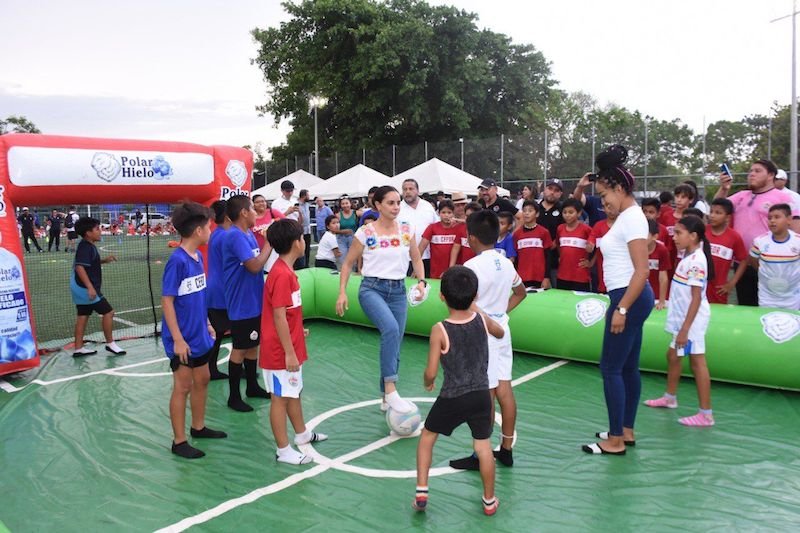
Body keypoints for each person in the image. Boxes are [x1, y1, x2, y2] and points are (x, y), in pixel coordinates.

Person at [581, 145, 653, 456]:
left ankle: (614, 440)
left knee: (610, 368)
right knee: (627, 367)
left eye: (605, 195)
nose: (603, 202)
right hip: (630, 297)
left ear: (620, 188)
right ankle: (626, 429)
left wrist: (621, 308)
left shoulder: (633, 218)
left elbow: (642, 269)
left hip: (628, 297)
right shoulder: (627, 217)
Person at [415, 266, 503, 516]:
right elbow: (500, 332)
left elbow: (431, 371)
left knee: (427, 438)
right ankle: (489, 501)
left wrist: (427, 381)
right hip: (481, 396)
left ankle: (422, 491)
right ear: (475, 297)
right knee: (483, 448)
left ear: (442, 296)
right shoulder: (480, 319)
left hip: (453, 396)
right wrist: (478, 310)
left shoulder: (440, 329)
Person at [336, 186, 426, 415]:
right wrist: (342, 292)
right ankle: (391, 389)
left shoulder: (407, 229)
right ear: (378, 205)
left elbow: (416, 258)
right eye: (391, 203)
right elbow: (347, 264)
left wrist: (422, 282)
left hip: (398, 290)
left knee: (395, 341)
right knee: (391, 330)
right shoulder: (365, 232)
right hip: (371, 289)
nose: (396, 207)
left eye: (398, 203)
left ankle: (386, 397)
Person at [450, 211, 527, 470]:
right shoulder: (505, 262)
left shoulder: (471, 268)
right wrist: (500, 314)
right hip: (503, 332)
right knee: (504, 390)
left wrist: (486, 319)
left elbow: (465, 303)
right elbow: (521, 292)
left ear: (471, 238)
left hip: (484, 337)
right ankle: (506, 449)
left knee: (485, 395)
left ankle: (479, 454)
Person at [162, 201, 227, 459]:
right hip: (182, 339)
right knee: (183, 386)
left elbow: (197, 296)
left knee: (203, 379)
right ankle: (179, 441)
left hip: (200, 334)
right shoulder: (177, 261)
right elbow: (167, 301)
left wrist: (208, 323)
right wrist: (178, 339)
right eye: (208, 227)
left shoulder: (198, 256)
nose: (211, 230)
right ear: (198, 231)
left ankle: (198, 427)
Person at [261, 219, 329, 465]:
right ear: (295, 244)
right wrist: (289, 352)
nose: (304, 242)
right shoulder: (280, 275)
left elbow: (287, 312)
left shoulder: (287, 272)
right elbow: (278, 314)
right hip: (280, 352)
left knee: (294, 392)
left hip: (290, 345)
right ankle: (283, 449)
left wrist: (298, 329)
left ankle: (301, 435)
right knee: (279, 398)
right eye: (302, 238)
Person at [644, 215, 715, 427]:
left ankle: (706, 414)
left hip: (691, 322)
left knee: (697, 363)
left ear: (693, 236)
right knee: (672, 355)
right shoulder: (688, 257)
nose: (673, 237)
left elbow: (696, 298)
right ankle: (670, 397)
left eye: (678, 233)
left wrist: (685, 329)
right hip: (682, 320)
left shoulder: (696, 262)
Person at [714, 159, 800, 305]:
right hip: (742, 264)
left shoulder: (784, 198)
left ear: (771, 175)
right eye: (750, 171)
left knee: (774, 306)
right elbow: (717, 208)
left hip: (771, 264)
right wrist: (724, 188)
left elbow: (796, 231)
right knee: (746, 306)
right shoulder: (741, 195)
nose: (751, 174)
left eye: (757, 171)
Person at [222, 196, 273, 412]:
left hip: (253, 300)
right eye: (252, 208)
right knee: (240, 348)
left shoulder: (248, 234)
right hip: (242, 303)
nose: (256, 211)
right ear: (243, 212)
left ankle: (252, 386)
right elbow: (254, 266)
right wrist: (269, 244)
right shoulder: (235, 236)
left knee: (253, 345)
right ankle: (234, 397)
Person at [70, 217, 127, 357]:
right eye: (97, 229)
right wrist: (90, 287)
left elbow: (89, 263)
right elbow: (80, 267)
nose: (100, 231)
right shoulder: (85, 247)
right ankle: (111, 344)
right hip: (84, 287)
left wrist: (104, 261)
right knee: (108, 312)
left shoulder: (87, 245)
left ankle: (78, 348)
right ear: (88, 233)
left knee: (83, 315)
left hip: (78, 287)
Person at [749, 204, 800, 310]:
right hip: (767, 297)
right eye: (770, 218)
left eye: (777, 217)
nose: (772, 221)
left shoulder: (797, 241)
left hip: (792, 297)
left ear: (789, 220)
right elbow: (753, 260)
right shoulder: (760, 241)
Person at [205, 200, 231, 381]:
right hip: (222, 291)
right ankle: (211, 369)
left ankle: (212, 369)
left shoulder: (217, 234)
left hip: (217, 289)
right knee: (220, 333)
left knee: (220, 333)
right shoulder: (224, 236)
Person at [705, 198, 748, 305]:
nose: (712, 215)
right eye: (711, 212)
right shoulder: (702, 231)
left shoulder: (734, 237)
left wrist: (732, 283)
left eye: (718, 213)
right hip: (699, 285)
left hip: (718, 289)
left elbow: (744, 260)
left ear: (728, 217)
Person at [400, 178, 439, 277]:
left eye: (411, 189)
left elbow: (437, 227)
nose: (407, 192)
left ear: (417, 191)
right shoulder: (398, 209)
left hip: (427, 257)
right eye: (405, 189)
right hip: (405, 258)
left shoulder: (428, 207)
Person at [555, 198, 593, 291]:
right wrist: (562, 257)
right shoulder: (560, 228)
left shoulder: (586, 229)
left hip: (580, 277)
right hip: (562, 275)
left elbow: (597, 248)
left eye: (571, 212)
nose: (567, 215)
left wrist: (591, 262)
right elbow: (558, 245)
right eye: (565, 212)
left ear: (579, 213)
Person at [513, 199, 552, 288]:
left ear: (537, 214)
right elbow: (516, 258)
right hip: (522, 278)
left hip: (539, 277)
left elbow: (548, 256)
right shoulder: (517, 234)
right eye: (524, 210)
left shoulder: (544, 232)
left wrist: (546, 277)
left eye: (530, 211)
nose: (527, 213)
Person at [419, 200, 459, 279]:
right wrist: (416, 267)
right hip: (436, 271)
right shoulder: (432, 227)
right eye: (443, 212)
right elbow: (421, 247)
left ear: (453, 213)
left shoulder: (458, 228)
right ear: (438, 213)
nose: (446, 215)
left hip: (455, 271)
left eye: (449, 212)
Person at [537, 179, 565, 286]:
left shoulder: (563, 209)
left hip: (554, 260)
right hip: (535, 258)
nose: (552, 192)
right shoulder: (534, 208)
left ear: (560, 194)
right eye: (550, 188)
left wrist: (555, 242)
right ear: (544, 189)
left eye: (556, 190)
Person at [646, 219, 671, 310]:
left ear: (655, 236)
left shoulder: (662, 250)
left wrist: (661, 301)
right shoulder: (635, 249)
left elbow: (663, 278)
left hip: (656, 294)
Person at [449, 202, 482, 267]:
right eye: (467, 216)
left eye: (471, 216)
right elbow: (455, 248)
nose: (468, 218)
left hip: (479, 267)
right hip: (465, 267)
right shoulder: (462, 228)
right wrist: (451, 267)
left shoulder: (484, 230)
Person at [334, 195, 358, 270]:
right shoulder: (338, 215)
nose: (345, 205)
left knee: (353, 260)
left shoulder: (356, 213)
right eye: (343, 204)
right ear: (340, 205)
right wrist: (343, 231)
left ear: (350, 204)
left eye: (346, 203)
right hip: (341, 239)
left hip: (353, 238)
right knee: (343, 259)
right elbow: (333, 229)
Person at [296, 189, 312, 269]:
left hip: (308, 230)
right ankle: (302, 265)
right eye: (308, 195)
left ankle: (307, 265)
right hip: (300, 229)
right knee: (301, 249)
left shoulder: (307, 204)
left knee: (307, 248)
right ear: (304, 196)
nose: (309, 197)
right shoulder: (296, 204)